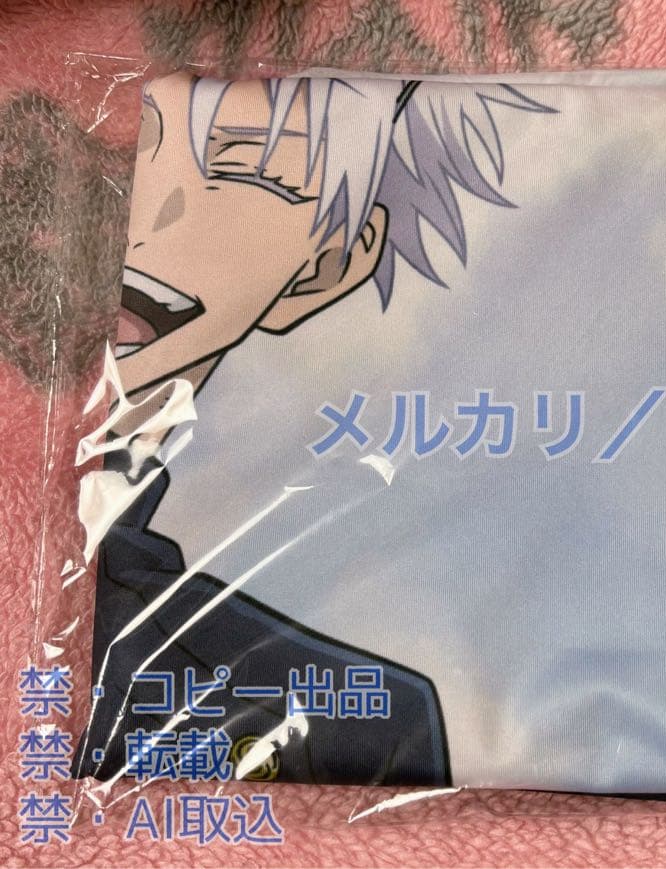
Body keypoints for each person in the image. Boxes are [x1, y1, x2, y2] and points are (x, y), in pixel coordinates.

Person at [76, 70, 552, 785]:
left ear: (330, 266)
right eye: (138, 149)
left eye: (246, 170)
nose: (151, 220)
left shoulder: (363, 718)